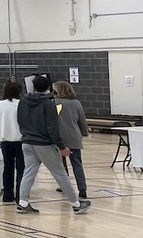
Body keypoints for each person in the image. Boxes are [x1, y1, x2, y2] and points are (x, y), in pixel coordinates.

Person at [16, 74, 90, 214]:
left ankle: (23, 202)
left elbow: (20, 120)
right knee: (60, 173)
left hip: (27, 141)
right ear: (49, 88)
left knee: (29, 172)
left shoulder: (23, 102)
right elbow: (52, 127)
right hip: (43, 143)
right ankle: (76, 204)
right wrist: (61, 147)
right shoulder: (48, 103)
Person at [0, 81, 25, 204]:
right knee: (21, 169)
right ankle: (20, 196)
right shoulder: (22, 104)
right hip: (21, 141)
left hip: (5, 142)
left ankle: (7, 195)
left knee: (7, 168)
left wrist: (1, 128)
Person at [53, 80, 89, 199]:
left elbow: (53, 119)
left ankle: (65, 186)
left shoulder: (55, 103)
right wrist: (84, 132)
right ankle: (82, 188)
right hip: (74, 137)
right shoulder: (76, 103)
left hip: (59, 138)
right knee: (77, 164)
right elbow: (82, 120)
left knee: (61, 164)